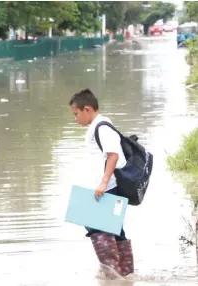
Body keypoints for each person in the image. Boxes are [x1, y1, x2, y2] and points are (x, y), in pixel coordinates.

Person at [68, 88, 134, 278]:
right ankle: (125, 274)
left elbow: (113, 155)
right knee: (115, 229)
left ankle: (111, 274)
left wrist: (103, 183)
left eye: (76, 113)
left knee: (94, 225)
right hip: (109, 186)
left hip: (111, 187)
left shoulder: (102, 127)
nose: (75, 118)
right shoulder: (98, 126)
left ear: (87, 109)